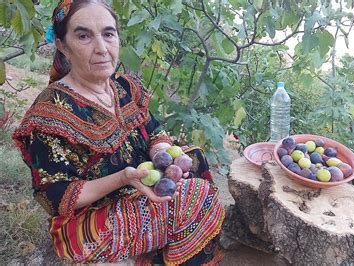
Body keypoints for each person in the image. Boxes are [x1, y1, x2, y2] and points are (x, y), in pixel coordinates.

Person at [12, 0, 225, 264]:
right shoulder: (50, 113)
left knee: (194, 159)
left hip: (136, 189)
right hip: (88, 221)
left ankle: (163, 255)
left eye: (108, 34)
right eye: (83, 35)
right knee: (196, 198)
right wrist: (124, 178)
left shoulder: (124, 87)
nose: (101, 48)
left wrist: (162, 153)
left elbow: (153, 129)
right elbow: (58, 197)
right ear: (62, 46)